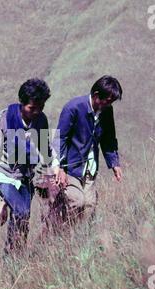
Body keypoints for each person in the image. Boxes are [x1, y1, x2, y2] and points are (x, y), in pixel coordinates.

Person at [0, 78, 66, 253]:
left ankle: (16, 254)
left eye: (40, 108)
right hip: (4, 175)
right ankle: (10, 254)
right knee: (21, 211)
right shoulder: (4, 118)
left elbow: (44, 147)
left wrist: (56, 167)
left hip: (25, 176)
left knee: (23, 216)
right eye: (31, 108)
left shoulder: (41, 120)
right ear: (21, 103)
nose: (36, 112)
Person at [54, 75, 123, 227]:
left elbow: (109, 138)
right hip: (70, 168)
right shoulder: (73, 108)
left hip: (90, 169)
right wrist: (60, 167)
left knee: (89, 207)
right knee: (77, 202)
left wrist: (114, 163)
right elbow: (60, 138)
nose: (109, 104)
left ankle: (80, 242)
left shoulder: (107, 112)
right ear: (97, 96)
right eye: (108, 100)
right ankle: (63, 235)